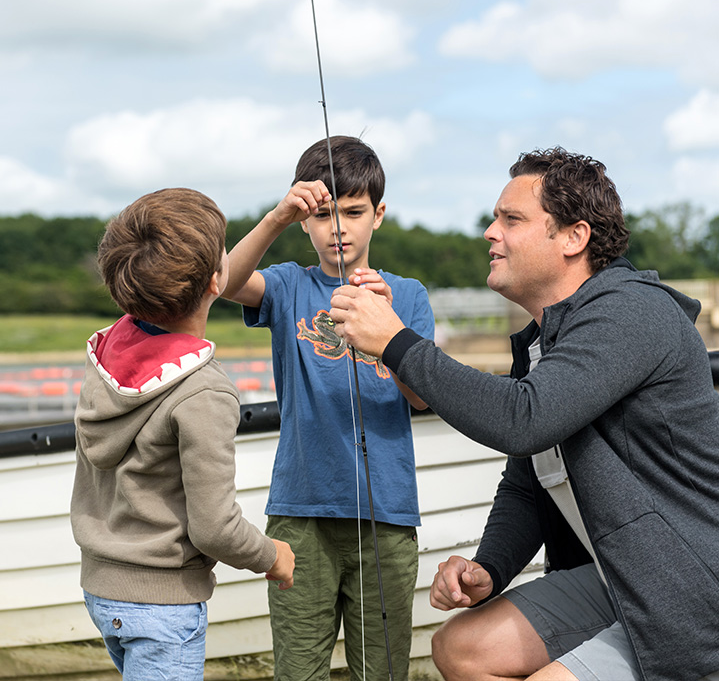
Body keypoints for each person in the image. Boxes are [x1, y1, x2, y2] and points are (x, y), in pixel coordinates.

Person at [329, 147, 719, 681]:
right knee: (461, 649)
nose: (490, 232)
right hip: (618, 577)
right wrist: (489, 568)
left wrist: (396, 343)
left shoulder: (631, 311)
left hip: (686, 587)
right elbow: (530, 479)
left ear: (574, 237)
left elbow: (522, 419)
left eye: (511, 220)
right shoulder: (547, 340)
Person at [221, 135, 435, 680]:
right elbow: (222, 281)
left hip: (385, 516)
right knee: (298, 670)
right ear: (304, 222)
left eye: (354, 213)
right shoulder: (289, 286)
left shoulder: (407, 296)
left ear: (379, 215)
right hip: (300, 515)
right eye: (322, 215)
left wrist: (393, 336)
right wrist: (275, 218)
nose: (338, 227)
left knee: (381, 671)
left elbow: (423, 397)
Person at [70, 188, 295, 681]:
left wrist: (277, 219)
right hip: (163, 604)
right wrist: (270, 555)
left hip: (101, 589)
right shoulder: (204, 392)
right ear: (218, 280)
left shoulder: (107, 353)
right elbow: (214, 528)